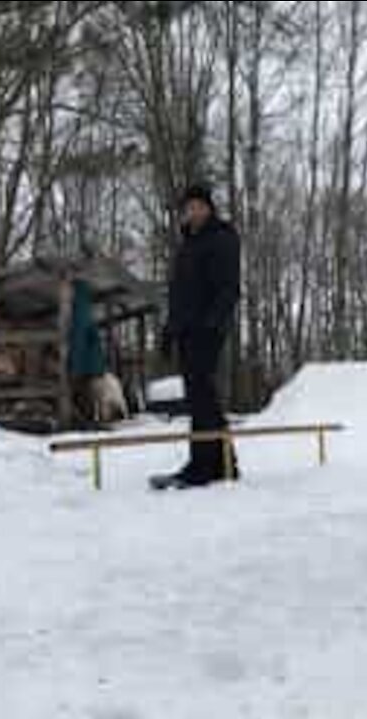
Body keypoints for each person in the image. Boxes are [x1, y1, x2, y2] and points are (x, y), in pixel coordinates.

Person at [151, 184, 242, 490]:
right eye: (186, 208)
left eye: (194, 206)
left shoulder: (221, 238)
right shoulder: (188, 245)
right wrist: (168, 331)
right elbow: (179, 295)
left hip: (207, 330)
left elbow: (229, 288)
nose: (189, 213)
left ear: (206, 207)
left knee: (202, 395)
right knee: (200, 398)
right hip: (186, 331)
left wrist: (212, 326)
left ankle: (206, 465)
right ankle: (220, 463)